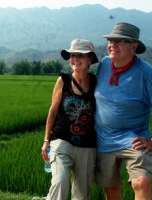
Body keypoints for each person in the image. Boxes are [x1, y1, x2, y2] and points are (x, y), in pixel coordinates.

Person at [94, 22, 152, 200]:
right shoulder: (104, 65)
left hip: (134, 139)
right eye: (111, 40)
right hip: (104, 139)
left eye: (119, 41)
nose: (112, 44)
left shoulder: (146, 73)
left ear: (133, 46)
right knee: (111, 189)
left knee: (141, 182)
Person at [41, 39, 98, 200]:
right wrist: (46, 140)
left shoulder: (96, 82)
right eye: (73, 55)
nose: (75, 59)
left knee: (82, 193)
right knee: (60, 182)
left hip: (87, 144)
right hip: (61, 140)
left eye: (81, 56)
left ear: (90, 60)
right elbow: (52, 111)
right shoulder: (63, 81)